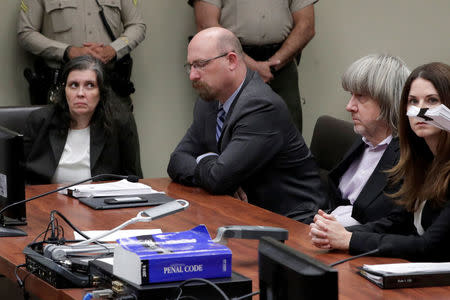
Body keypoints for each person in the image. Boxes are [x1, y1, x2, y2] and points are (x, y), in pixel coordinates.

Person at [167, 27, 324, 223]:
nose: (192, 75)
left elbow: (218, 178)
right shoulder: (208, 102)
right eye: (190, 66)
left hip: (291, 222)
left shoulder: (260, 106)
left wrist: (214, 169)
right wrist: (219, 170)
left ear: (231, 60)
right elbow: (176, 161)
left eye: (200, 65)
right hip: (242, 213)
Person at [310, 62, 450, 262]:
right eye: (413, 101)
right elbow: (400, 223)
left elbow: (429, 246)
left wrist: (350, 240)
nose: (420, 111)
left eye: (432, 100)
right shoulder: (420, 160)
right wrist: (336, 233)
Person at [188, 0, 317, 132]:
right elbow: (206, 24)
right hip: (229, 64)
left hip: (282, 66)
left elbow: (306, 25)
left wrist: (274, 64)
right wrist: (250, 65)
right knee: (227, 134)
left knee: (287, 135)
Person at [24, 55, 143, 185]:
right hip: (47, 202)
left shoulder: (121, 121)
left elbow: (134, 179)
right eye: (74, 85)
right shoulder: (40, 120)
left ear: (101, 92)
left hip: (102, 202)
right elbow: (20, 178)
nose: (80, 93)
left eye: (90, 85)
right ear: (65, 91)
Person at [326, 54, 410, 226]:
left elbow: (389, 223)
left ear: (388, 100)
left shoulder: (408, 156)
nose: (349, 106)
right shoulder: (361, 140)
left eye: (361, 96)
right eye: (351, 95)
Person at [17, 0, 146, 107]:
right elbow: (26, 33)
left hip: (110, 88)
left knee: (117, 136)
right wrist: (67, 51)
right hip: (62, 91)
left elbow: (137, 25)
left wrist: (113, 49)